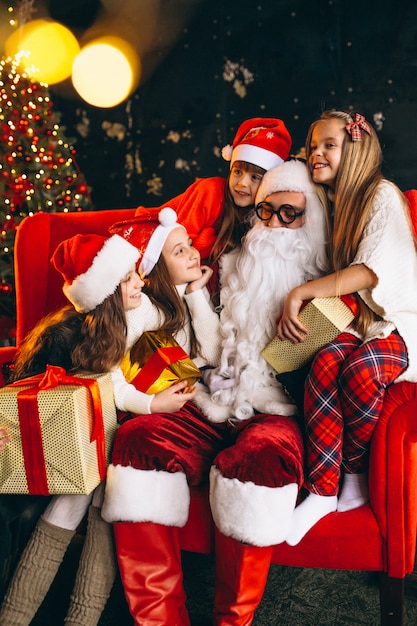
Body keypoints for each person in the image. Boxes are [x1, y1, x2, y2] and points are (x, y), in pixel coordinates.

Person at [101, 159, 328, 626]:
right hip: (211, 399)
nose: (273, 225)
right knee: (137, 442)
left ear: (314, 220)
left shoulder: (325, 280)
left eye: (290, 214)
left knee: (261, 461)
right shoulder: (227, 262)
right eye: (266, 211)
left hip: (275, 411)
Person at [276, 110, 417, 547]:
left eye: (329, 145)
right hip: (362, 323)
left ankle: (352, 472)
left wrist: (301, 292)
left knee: (360, 369)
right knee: (323, 363)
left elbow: (369, 272)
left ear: (354, 150)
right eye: (312, 145)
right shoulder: (331, 204)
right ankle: (321, 490)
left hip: (401, 321)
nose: (316, 152)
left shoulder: (382, 195)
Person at [133, 117, 292, 301]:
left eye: (255, 177)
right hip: (151, 246)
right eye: (238, 172)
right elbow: (175, 245)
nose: (242, 183)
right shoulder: (210, 191)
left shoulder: (260, 216)